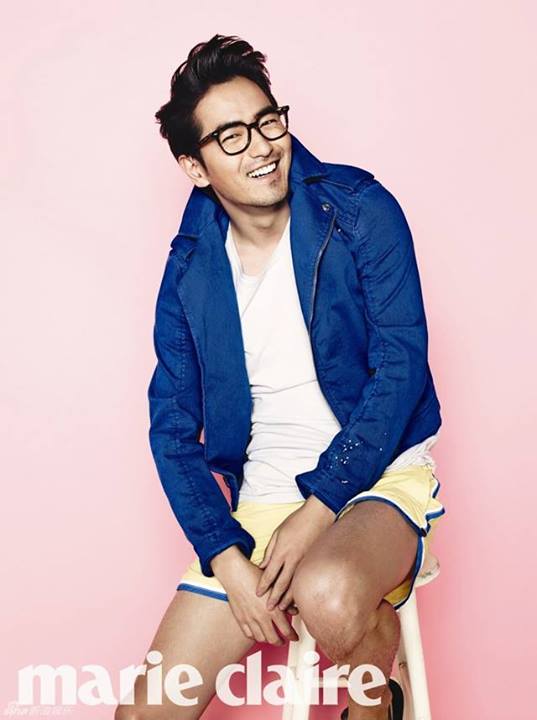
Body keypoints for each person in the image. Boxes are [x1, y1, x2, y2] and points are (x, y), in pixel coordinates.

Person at [115, 33, 446, 720]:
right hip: (263, 502)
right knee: (144, 713)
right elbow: (171, 429)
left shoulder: (359, 210)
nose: (262, 147)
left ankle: (373, 695)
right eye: (231, 137)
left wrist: (318, 508)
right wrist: (225, 556)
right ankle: (376, 663)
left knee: (326, 590)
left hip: (376, 480)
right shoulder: (189, 272)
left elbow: (401, 366)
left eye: (267, 122)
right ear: (195, 166)